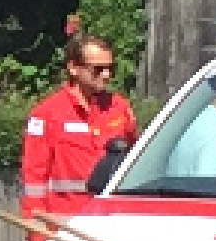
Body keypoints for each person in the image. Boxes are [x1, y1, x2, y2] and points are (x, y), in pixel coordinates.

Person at [21, 34, 139, 220]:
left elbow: (137, 162)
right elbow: (35, 180)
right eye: (98, 69)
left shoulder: (120, 109)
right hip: (64, 226)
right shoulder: (46, 114)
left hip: (110, 222)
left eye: (110, 68)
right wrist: (38, 235)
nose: (106, 75)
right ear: (73, 67)